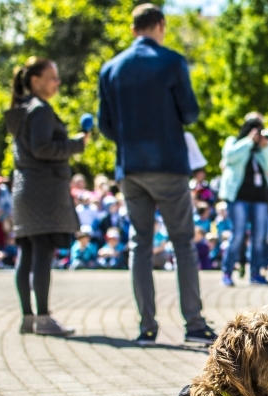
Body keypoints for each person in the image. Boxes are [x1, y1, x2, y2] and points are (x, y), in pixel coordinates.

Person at [99, 4, 216, 345]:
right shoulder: (172, 61)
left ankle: (146, 326)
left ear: (134, 29)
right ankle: (193, 323)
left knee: (140, 244)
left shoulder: (111, 68)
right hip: (167, 164)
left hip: (130, 167)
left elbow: (106, 126)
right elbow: (191, 113)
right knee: (183, 243)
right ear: (160, 26)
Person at [5, 56, 87, 336]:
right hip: (43, 189)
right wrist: (75, 144)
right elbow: (42, 148)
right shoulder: (40, 109)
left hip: (24, 187)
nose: (57, 82)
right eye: (52, 77)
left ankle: (28, 317)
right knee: (41, 253)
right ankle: (43, 317)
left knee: (26, 252)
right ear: (35, 80)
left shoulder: (22, 108)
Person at [217, 117, 268, 286]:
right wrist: (248, 142)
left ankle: (256, 273)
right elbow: (229, 158)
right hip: (238, 197)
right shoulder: (235, 142)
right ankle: (227, 272)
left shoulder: (264, 148)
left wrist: (265, 148)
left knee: (259, 237)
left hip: (260, 198)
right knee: (237, 235)